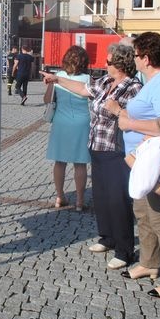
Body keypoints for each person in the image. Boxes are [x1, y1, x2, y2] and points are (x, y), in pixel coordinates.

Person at [41, 43, 142, 270]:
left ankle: (124, 250)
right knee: (102, 196)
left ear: (120, 64)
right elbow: (83, 89)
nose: (104, 64)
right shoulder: (105, 82)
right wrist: (57, 80)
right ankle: (107, 237)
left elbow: (136, 117)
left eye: (108, 61)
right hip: (97, 146)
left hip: (117, 149)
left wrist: (118, 110)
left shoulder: (133, 88)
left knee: (118, 200)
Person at [109, 32, 160, 299]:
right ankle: (149, 262)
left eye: (136, 55)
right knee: (144, 215)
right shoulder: (153, 80)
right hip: (142, 159)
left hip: (157, 161)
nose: (134, 59)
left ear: (146, 58)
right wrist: (122, 114)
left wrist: (130, 123)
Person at [44, 46, 91, 210]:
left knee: (60, 161)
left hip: (61, 121)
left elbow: (46, 99)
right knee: (80, 163)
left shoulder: (57, 77)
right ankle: (79, 201)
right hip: (82, 122)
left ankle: (59, 197)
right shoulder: (87, 79)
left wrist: (51, 85)